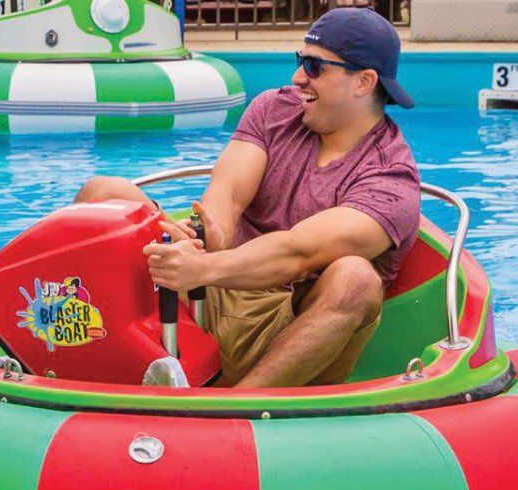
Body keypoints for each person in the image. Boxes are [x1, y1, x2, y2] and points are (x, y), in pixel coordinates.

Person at [74, 7, 420, 388]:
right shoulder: (277, 109)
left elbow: (297, 252)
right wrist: (211, 235)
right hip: (216, 289)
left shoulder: (390, 180)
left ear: (364, 82)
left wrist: (204, 269)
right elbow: (229, 193)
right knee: (104, 193)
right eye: (299, 60)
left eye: (314, 66)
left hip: (284, 331)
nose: (298, 76)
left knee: (356, 278)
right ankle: (74, 349)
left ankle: (237, 408)